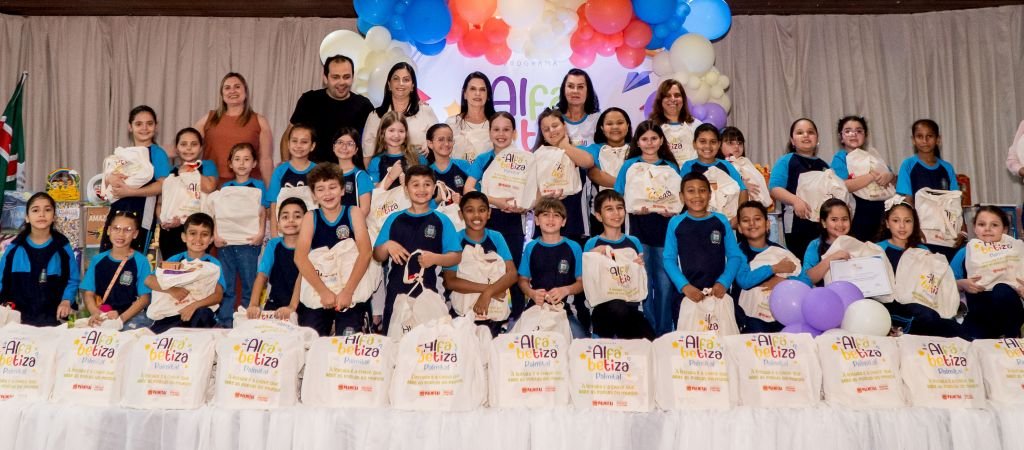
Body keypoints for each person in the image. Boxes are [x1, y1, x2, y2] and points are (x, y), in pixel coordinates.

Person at [373, 165, 462, 335]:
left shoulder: (442, 220)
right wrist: (387, 245)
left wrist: (435, 259)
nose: (421, 189)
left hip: (430, 293)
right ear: (406, 190)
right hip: (396, 295)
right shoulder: (394, 219)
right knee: (395, 343)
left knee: (430, 342)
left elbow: (456, 256)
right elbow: (377, 255)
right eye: (415, 185)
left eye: (427, 184)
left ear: (434, 188)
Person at [613, 120, 679, 336]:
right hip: (637, 232)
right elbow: (618, 196)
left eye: (653, 138)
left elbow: (678, 197)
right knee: (643, 282)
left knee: (665, 284)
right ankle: (648, 331)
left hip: (665, 233)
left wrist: (673, 210)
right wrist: (632, 208)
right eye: (644, 139)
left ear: (661, 141)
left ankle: (664, 331)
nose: (649, 143)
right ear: (637, 142)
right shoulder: (629, 165)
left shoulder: (670, 166)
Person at [294, 164, 374, 336]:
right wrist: (323, 292)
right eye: (320, 189)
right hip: (320, 292)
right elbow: (300, 258)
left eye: (332, 187)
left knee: (349, 341)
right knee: (311, 339)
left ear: (342, 190)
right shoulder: (310, 217)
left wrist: (348, 292)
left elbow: (366, 252)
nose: (327, 193)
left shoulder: (353, 213)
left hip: (350, 290)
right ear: (313, 195)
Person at [664, 173, 744, 333]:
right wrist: (685, 286)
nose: (697, 196)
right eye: (691, 191)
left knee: (723, 340)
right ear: (681, 196)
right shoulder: (676, 223)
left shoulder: (721, 221)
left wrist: (723, 282)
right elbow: (668, 259)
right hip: (687, 295)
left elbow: (735, 256)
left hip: (718, 293)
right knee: (690, 343)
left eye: (702, 190)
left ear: (709, 194)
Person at [876, 198, 963, 337]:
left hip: (921, 303)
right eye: (896, 220)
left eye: (907, 221)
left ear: (914, 223)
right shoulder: (878, 249)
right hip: (891, 308)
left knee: (953, 326)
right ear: (887, 223)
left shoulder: (923, 250)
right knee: (928, 317)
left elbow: (933, 282)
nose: (902, 226)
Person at [472, 112, 528, 318]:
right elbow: (469, 190)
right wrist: (496, 201)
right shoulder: (483, 159)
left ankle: (518, 317)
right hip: (487, 221)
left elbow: (534, 192)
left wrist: (525, 206)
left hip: (513, 221)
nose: (501, 134)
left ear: (514, 133)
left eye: (506, 130)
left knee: (513, 270)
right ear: (489, 132)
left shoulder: (524, 159)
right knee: (487, 269)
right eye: (496, 129)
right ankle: (488, 317)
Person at [442, 191, 518, 336]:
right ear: (461, 214)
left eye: (482, 210)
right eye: (470, 210)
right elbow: (450, 281)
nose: (476, 215)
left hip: (494, 313)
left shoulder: (496, 237)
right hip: (462, 313)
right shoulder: (455, 240)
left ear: (489, 213)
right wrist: (488, 290)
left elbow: (512, 273)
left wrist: (488, 294)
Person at [0, 193, 80, 326]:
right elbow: (1, 281)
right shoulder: (14, 248)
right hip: (18, 322)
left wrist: (66, 301)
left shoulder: (62, 246)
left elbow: (73, 279)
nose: (42, 214)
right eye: (35, 210)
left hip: (55, 321)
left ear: (54, 217)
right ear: (27, 217)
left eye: (47, 210)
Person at [583, 190, 654, 339]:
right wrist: (593, 254)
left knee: (651, 341)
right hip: (603, 307)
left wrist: (639, 267)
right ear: (598, 216)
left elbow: (639, 279)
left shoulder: (633, 242)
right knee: (617, 307)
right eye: (609, 209)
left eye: (620, 208)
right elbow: (589, 280)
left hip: (631, 307)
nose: (616, 213)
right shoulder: (592, 243)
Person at [101, 105, 171, 253]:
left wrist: (130, 192)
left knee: (132, 262)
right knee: (108, 257)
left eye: (149, 123)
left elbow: (163, 185)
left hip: (141, 216)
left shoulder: (157, 153)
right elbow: (105, 185)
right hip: (116, 213)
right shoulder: (123, 153)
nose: (144, 128)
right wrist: (109, 178)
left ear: (156, 126)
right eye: (139, 124)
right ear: (130, 127)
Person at [214, 143, 267, 328]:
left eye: (246, 159)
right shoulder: (225, 187)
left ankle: (246, 322)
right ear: (230, 163)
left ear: (254, 163)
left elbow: (262, 212)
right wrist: (216, 235)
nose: (242, 163)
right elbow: (218, 213)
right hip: (226, 243)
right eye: (237, 159)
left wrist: (261, 233)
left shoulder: (259, 186)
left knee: (249, 284)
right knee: (227, 284)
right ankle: (225, 322)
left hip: (248, 242)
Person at [518, 197, 587, 338]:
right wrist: (532, 293)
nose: (551, 219)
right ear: (537, 220)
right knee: (518, 341)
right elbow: (522, 279)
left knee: (580, 342)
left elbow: (582, 282)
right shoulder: (531, 247)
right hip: (536, 306)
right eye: (545, 215)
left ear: (564, 221)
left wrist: (565, 290)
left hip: (566, 310)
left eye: (556, 215)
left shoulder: (574, 247)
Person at [733, 201, 806, 333]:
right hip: (750, 317)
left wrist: (785, 281)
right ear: (739, 228)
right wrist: (774, 268)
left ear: (767, 224)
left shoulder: (781, 251)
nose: (752, 223)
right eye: (745, 220)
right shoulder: (737, 253)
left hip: (782, 314)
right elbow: (744, 281)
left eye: (757, 219)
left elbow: (805, 280)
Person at [895, 119, 963, 260]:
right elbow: (907, 201)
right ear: (913, 140)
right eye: (920, 136)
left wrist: (962, 230)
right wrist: (915, 228)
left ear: (938, 139)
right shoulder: (908, 165)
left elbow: (955, 203)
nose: (925, 141)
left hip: (946, 233)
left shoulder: (947, 167)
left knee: (947, 267)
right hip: (921, 233)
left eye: (929, 136)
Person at [953, 206, 1024, 339]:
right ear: (974, 228)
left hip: (1009, 312)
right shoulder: (965, 252)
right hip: (979, 314)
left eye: (994, 225)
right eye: (982, 224)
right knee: (964, 339)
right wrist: (962, 284)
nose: (987, 229)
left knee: (1001, 289)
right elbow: (946, 284)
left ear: (1005, 230)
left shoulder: (1016, 251)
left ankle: (1011, 337)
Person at [287, 55, 374, 164]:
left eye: (346, 77)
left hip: (350, 172)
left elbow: (374, 145)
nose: (341, 82)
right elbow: (288, 137)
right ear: (325, 78)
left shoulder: (364, 106)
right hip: (314, 172)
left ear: (353, 78)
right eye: (335, 77)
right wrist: (288, 170)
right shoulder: (309, 101)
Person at [146, 213, 223, 333]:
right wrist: (172, 290)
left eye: (204, 234)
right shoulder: (175, 259)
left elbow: (218, 295)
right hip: (170, 314)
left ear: (211, 239)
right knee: (154, 337)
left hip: (197, 313)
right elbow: (149, 280)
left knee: (203, 314)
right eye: (192, 233)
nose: (198, 239)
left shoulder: (214, 264)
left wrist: (194, 305)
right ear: (184, 237)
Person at [192, 72, 273, 185]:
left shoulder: (260, 121)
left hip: (246, 187)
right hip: (212, 186)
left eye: (237, 87)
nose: (232, 91)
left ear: (245, 91)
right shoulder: (209, 118)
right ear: (222, 94)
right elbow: (187, 143)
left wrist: (271, 191)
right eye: (227, 88)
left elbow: (266, 160)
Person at [768, 118, 830, 260]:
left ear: (817, 138)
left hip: (822, 225)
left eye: (810, 132)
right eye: (800, 132)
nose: (806, 135)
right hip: (796, 224)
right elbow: (774, 188)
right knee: (801, 260)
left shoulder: (825, 166)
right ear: (792, 140)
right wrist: (796, 201)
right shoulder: (786, 160)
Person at [81, 210, 154, 330]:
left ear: (135, 234)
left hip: (131, 318)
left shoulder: (141, 261)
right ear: (109, 230)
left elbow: (145, 298)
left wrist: (121, 319)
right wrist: (96, 313)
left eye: (127, 230)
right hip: (102, 317)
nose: (121, 234)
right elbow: (88, 293)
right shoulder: (97, 260)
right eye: (116, 228)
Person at [533, 107, 596, 244]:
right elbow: (532, 197)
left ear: (564, 126)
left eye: (555, 126)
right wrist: (545, 196)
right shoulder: (536, 156)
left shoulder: (576, 151)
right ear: (542, 134)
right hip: (544, 227)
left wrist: (564, 146)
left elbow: (589, 162)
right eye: (546, 129)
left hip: (575, 222)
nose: (552, 131)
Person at [362, 62, 439, 166]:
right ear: (389, 85)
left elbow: (439, 141)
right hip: (385, 173)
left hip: (420, 171)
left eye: (406, 80)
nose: (401, 83)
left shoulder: (426, 111)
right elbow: (368, 155)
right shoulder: (375, 116)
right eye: (396, 79)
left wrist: (430, 143)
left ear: (412, 86)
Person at [158, 127, 218, 259]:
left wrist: (188, 170)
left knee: (197, 269)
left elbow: (209, 187)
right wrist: (166, 222)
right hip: (173, 231)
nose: (189, 148)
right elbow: (161, 203)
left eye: (194, 144)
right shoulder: (170, 172)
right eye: (184, 144)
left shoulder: (207, 166)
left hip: (199, 230)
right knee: (172, 268)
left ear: (201, 148)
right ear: (176, 148)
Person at [831, 116, 894, 242]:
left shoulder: (873, 155)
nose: (854, 134)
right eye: (848, 131)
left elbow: (893, 181)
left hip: (882, 212)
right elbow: (844, 186)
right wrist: (870, 176)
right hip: (857, 213)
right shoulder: (840, 158)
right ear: (841, 137)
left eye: (859, 131)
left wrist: (890, 176)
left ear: (865, 135)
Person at [248, 197, 307, 320]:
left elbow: (302, 278)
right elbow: (262, 275)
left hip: (303, 305)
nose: (291, 220)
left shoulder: (309, 247)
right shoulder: (273, 244)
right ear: (278, 224)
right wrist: (253, 304)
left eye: (297, 216)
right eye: (285, 217)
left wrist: (291, 307)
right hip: (275, 303)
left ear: (307, 222)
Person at [679, 123, 749, 221]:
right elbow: (683, 193)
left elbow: (743, 190)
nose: (708, 146)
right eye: (702, 141)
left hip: (726, 219)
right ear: (694, 144)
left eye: (713, 142)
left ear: (719, 144)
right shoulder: (688, 166)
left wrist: (738, 217)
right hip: (695, 219)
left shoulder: (727, 165)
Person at [267, 124, 317, 236]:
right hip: (284, 234)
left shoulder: (318, 171)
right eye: (294, 141)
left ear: (312, 146)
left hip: (312, 233)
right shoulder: (279, 171)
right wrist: (274, 238)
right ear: (288, 144)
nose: (298, 145)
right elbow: (274, 205)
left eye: (304, 142)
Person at [368, 111, 428, 190]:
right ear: (382, 132)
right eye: (391, 130)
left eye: (401, 131)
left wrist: (409, 183)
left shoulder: (417, 156)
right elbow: (373, 192)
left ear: (406, 133)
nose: (396, 135)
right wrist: (390, 177)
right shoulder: (376, 161)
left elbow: (428, 185)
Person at [649, 79, 703, 167]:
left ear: (683, 99)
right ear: (660, 100)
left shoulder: (696, 125)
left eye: (677, 95)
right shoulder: (651, 127)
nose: (673, 99)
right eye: (667, 96)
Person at [445, 72, 494, 164]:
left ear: (488, 95)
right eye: (472, 89)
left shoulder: (496, 124)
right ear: (465, 94)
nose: (477, 93)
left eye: (482, 89)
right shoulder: (452, 123)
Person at [801, 199, 853, 286]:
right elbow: (807, 279)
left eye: (844, 219)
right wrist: (831, 259)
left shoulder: (856, 244)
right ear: (824, 223)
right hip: (824, 293)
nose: (840, 224)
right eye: (834, 219)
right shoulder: (815, 245)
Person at [585, 107, 633, 191]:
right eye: (609, 124)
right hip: (604, 198)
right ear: (602, 128)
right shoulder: (593, 150)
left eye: (620, 123)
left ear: (628, 125)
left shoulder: (638, 150)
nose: (615, 127)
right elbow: (593, 174)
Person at [426, 123, 476, 198]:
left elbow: (477, 195)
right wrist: (438, 199)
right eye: (441, 139)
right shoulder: (427, 173)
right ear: (430, 143)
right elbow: (424, 203)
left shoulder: (463, 165)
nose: (446, 144)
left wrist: (462, 201)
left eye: (449, 140)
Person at [332, 127, 373, 216]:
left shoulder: (361, 176)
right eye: (340, 142)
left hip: (354, 223)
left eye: (350, 144)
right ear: (333, 147)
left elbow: (365, 209)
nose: (344, 147)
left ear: (356, 150)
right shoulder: (327, 174)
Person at [557, 68, 601, 147]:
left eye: (580, 87)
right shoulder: (554, 117)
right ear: (563, 90)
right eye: (570, 86)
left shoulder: (597, 119)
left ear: (588, 91)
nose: (575, 91)